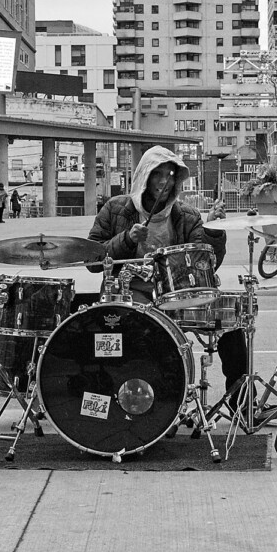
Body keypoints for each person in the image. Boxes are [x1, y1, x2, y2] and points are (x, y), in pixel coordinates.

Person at [87, 145, 247, 406]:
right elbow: (92, 261)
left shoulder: (187, 215)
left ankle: (241, 402)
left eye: (170, 174)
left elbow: (207, 265)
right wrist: (126, 239)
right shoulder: (115, 209)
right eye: (157, 173)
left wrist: (212, 230)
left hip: (176, 296)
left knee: (233, 316)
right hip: (129, 294)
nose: (163, 180)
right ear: (144, 176)